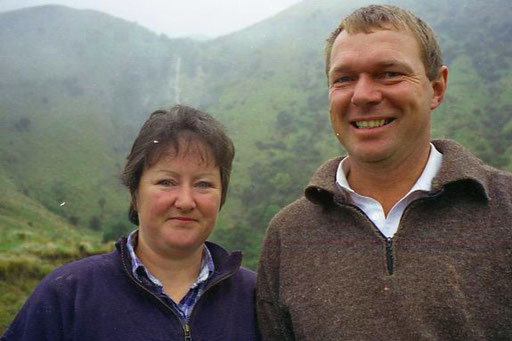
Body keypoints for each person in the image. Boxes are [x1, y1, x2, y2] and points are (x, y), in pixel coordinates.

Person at [256, 4, 512, 340]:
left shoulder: (505, 210)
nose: (363, 95)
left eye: (389, 73)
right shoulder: (288, 235)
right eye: (344, 79)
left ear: (437, 88)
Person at [3, 105, 260, 340]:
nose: (185, 201)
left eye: (203, 184)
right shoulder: (68, 295)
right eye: (166, 182)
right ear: (135, 192)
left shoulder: (258, 297)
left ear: (221, 196)